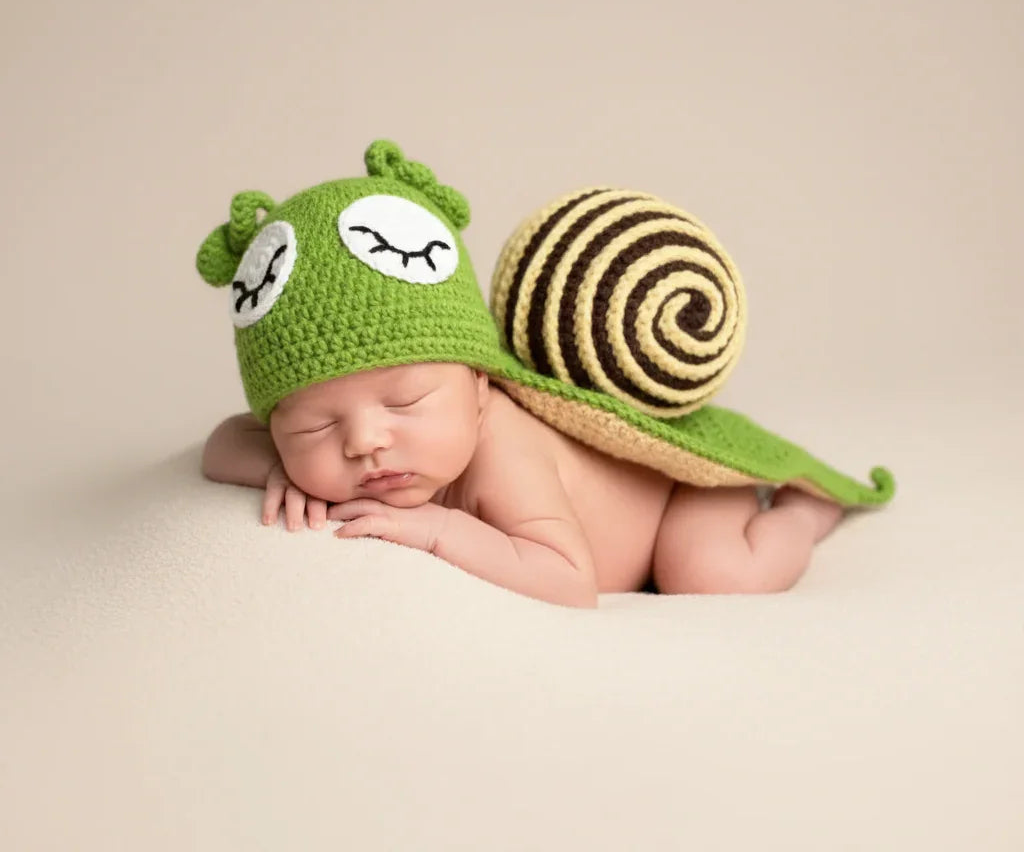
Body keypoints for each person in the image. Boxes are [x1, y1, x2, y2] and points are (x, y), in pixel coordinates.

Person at [196, 140, 894, 610]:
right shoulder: (325, 438)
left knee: (707, 574)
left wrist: (439, 531)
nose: (365, 441)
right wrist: (282, 468)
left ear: (480, 386)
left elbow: (570, 579)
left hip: (678, 501)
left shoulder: (504, 446)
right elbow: (223, 442)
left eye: (405, 401)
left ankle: (802, 516)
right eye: (314, 423)